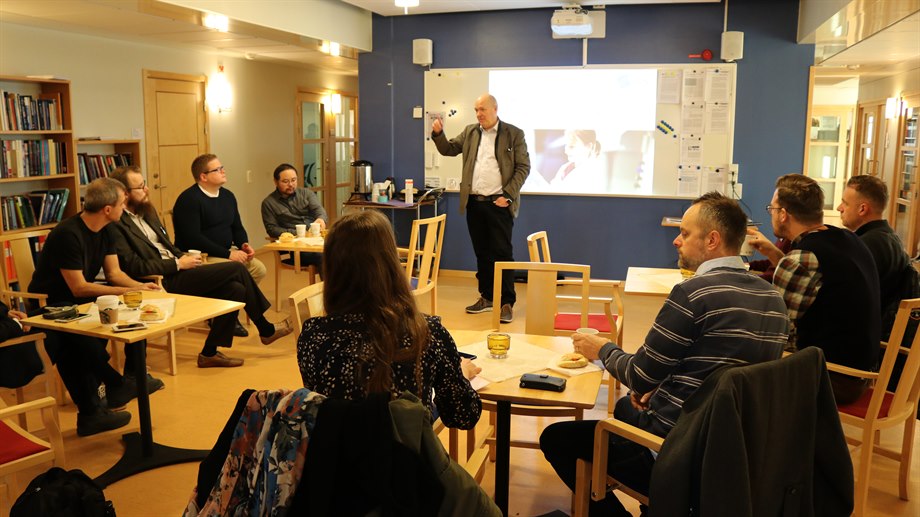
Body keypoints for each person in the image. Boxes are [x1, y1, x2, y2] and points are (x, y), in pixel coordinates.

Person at [540, 192, 789, 516]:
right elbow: (720, 368)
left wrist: (600, 348)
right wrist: (659, 386)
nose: (676, 241)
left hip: (675, 451)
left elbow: (639, 375)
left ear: (712, 240)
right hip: (737, 456)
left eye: (685, 233)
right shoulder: (774, 300)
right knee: (629, 404)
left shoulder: (692, 294)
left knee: (558, 438)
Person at [296, 210, 482, 430]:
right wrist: (462, 374)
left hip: (338, 450)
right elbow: (463, 416)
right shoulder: (425, 332)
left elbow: (324, 406)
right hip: (406, 449)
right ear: (391, 264)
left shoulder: (313, 335)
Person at [108, 166, 294, 368]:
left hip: (180, 268)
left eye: (144, 184)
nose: (146, 189)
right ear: (124, 193)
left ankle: (209, 353)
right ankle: (266, 329)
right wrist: (177, 263)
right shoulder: (117, 223)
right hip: (160, 280)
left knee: (235, 290)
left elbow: (169, 246)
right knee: (236, 269)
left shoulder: (147, 211)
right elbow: (134, 266)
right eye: (140, 187)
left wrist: (183, 257)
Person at [28, 178, 164, 436]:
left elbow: (114, 274)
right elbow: (78, 287)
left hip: (80, 301)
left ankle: (115, 390)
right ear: (108, 209)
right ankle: (111, 390)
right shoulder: (68, 234)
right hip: (52, 303)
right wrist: (125, 291)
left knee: (133, 311)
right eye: (122, 204)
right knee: (77, 337)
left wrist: (140, 287)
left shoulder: (107, 230)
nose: (125, 208)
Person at [749, 173, 880, 404]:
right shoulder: (850, 240)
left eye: (772, 209)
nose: (772, 214)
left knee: (735, 368)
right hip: (862, 374)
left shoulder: (802, 259)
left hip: (831, 379)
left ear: (783, 214)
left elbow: (777, 333)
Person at [431, 94, 530, 323]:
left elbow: (523, 167)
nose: (479, 114)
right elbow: (448, 149)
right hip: (474, 203)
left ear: (495, 108)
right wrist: (438, 134)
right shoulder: (470, 132)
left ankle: (506, 302)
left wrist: (508, 195)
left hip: (499, 204)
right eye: (476, 110)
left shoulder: (514, 134)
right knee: (482, 254)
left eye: (482, 109)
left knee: (502, 254)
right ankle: (487, 297)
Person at [837, 175, 919, 393]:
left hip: (866, 363)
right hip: (884, 349)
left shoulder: (865, 247)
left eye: (845, 203)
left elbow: (845, 305)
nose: (839, 208)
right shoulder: (889, 238)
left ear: (862, 209)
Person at [173, 153, 265, 337]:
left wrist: (244, 244)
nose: (223, 171)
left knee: (259, 269)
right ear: (203, 176)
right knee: (235, 272)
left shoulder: (228, 196)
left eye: (222, 167)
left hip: (225, 252)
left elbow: (237, 227)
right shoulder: (189, 200)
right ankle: (227, 316)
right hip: (200, 256)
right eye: (217, 169)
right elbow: (193, 238)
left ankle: (225, 312)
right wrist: (228, 254)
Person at [261, 162, 327, 272]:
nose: (291, 184)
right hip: (297, 247)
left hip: (316, 240)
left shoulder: (306, 193)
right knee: (324, 257)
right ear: (276, 182)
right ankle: (330, 283)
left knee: (342, 251)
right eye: (285, 181)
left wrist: (321, 219)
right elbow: (272, 229)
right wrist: (297, 233)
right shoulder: (269, 203)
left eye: (293, 180)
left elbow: (319, 210)